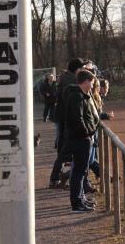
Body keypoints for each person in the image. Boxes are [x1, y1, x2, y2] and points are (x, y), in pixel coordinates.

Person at [49, 58, 89, 188]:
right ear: (77, 69)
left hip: (65, 120)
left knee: (66, 151)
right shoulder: (71, 81)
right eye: (82, 68)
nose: (83, 69)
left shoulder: (67, 78)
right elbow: (71, 102)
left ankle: (60, 177)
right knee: (65, 151)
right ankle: (56, 179)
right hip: (67, 121)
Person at [64, 69, 100, 212]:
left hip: (81, 138)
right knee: (79, 171)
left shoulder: (80, 96)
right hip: (80, 139)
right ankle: (77, 203)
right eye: (91, 83)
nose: (92, 86)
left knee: (81, 171)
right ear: (85, 82)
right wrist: (86, 133)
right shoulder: (76, 97)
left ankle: (81, 199)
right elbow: (77, 119)